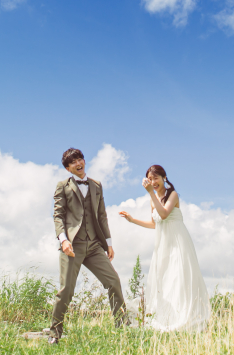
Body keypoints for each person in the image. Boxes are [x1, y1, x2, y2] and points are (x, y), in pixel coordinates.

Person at [48, 147, 127, 344]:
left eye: (80, 159)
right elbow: (58, 215)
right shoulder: (62, 186)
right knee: (66, 290)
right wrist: (63, 240)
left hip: (94, 246)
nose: (78, 163)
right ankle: (55, 334)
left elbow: (102, 215)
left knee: (114, 282)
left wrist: (108, 243)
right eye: (73, 162)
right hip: (72, 245)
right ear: (68, 168)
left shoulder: (96, 185)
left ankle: (122, 328)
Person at [118, 164, 210, 332]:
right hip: (163, 245)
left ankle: (186, 317)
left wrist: (151, 194)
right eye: (150, 179)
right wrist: (133, 220)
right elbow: (155, 224)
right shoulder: (153, 200)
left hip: (178, 242)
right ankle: (168, 316)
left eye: (156, 178)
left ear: (164, 178)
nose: (153, 182)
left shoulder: (173, 195)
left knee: (180, 278)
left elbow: (164, 214)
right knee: (165, 279)